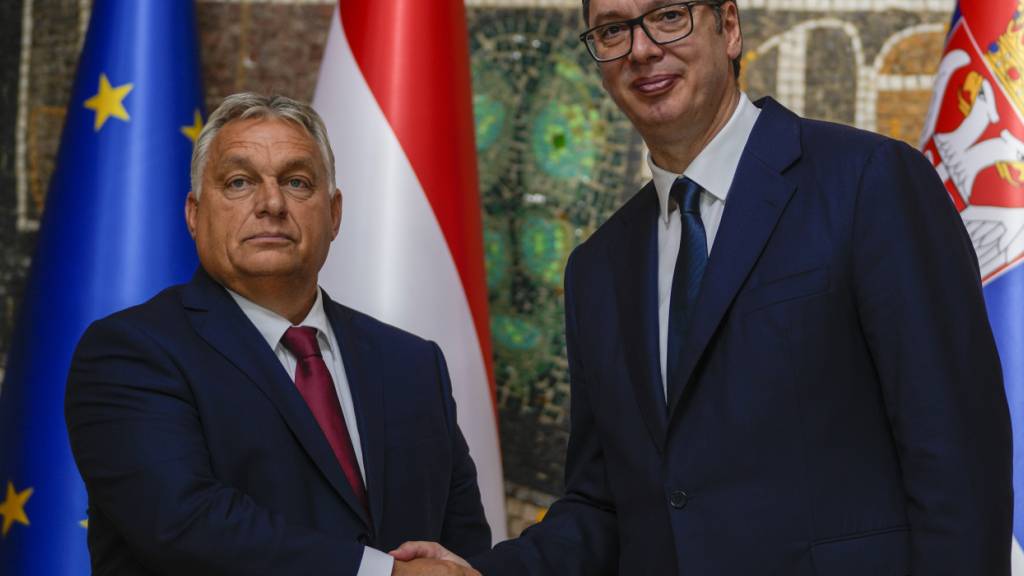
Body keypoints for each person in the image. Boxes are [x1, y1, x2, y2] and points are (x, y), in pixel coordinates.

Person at [393, 0, 1013, 574]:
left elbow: (958, 464)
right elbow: (606, 506)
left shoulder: (869, 182)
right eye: (613, 29)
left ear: (730, 27)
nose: (640, 49)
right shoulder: (597, 268)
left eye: (667, 16)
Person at [65, 93, 488, 576]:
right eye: (239, 182)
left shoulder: (413, 363)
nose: (271, 203)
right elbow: (184, 525)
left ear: (334, 214)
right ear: (193, 214)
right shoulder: (130, 353)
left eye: (297, 182)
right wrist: (382, 573)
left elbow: (462, 550)